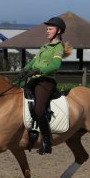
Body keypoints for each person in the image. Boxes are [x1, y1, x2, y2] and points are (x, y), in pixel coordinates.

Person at [21, 17, 71, 155]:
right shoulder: (44, 47)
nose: (47, 31)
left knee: (38, 110)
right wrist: (25, 70)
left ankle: (47, 142)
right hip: (35, 80)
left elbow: (55, 65)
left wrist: (38, 70)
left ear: (58, 31)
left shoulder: (58, 47)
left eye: (50, 29)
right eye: (47, 29)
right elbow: (34, 61)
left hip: (46, 81)